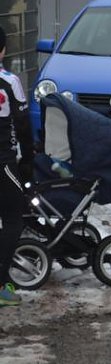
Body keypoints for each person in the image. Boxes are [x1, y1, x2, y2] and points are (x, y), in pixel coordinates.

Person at [0, 26, 34, 306]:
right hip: (4, 163)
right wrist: (30, 161)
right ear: (3, 50)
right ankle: (1, 287)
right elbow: (23, 125)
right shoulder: (9, 81)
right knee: (13, 219)